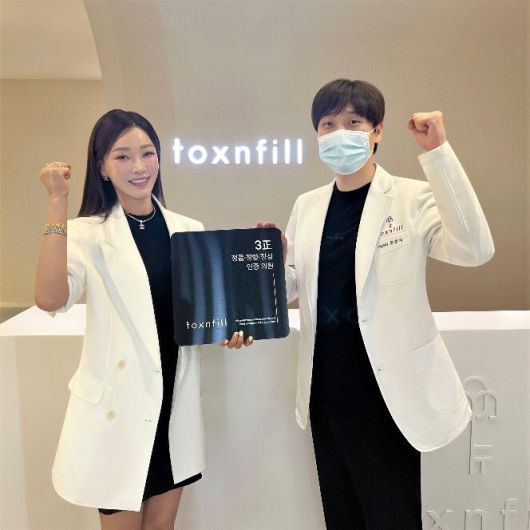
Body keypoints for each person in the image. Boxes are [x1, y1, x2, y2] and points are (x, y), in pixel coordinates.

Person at [282, 79, 494, 529]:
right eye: (328, 124)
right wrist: (269, 263)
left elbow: (474, 249)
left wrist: (438, 154)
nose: (339, 133)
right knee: (342, 515)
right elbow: (293, 288)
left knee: (392, 515)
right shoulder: (308, 205)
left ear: (376, 131)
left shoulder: (410, 197)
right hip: (326, 387)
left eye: (353, 122)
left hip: (386, 390)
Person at [34, 109, 247, 530]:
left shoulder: (188, 229)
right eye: (123, 156)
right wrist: (57, 205)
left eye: (148, 153)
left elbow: (201, 315)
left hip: (173, 406)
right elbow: (49, 298)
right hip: (120, 410)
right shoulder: (87, 233)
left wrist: (230, 330)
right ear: (102, 167)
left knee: (161, 528)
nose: (139, 166)